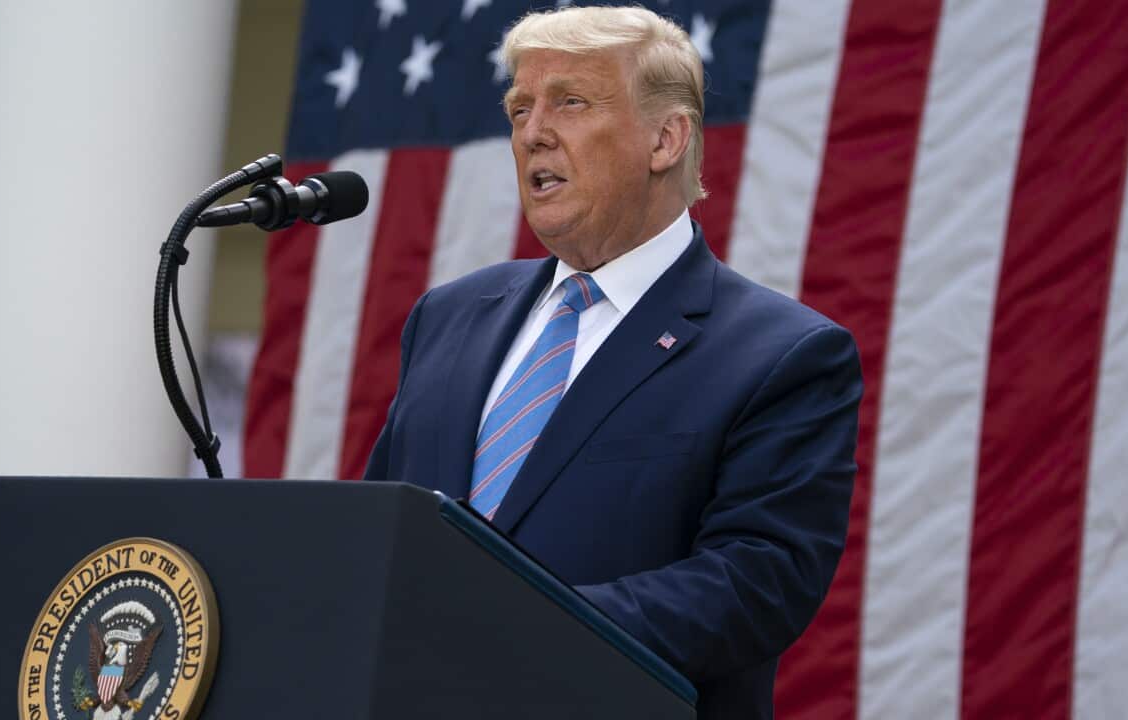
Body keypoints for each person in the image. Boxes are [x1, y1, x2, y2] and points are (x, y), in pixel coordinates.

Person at [363, 6, 862, 719]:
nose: (533, 132)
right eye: (519, 108)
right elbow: (387, 524)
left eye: (570, 101)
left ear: (665, 138)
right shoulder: (448, 317)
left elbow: (758, 582)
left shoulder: (782, 355)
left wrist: (514, 625)